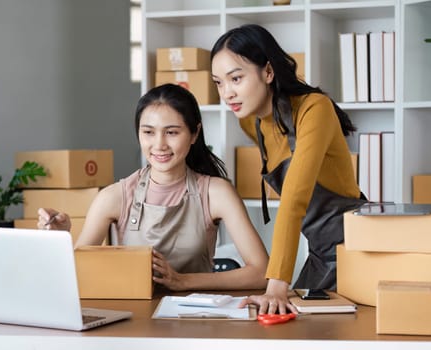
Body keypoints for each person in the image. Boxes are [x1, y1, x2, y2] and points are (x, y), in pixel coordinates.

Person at [38, 83, 269, 292]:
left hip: (197, 321)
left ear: (194, 133)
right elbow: (77, 274)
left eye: (172, 132)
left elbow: (263, 273)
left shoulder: (216, 193)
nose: (159, 145)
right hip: (133, 323)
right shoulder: (113, 197)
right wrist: (60, 239)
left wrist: (182, 281)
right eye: (148, 132)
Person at [210, 24, 367, 314]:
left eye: (236, 78)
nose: (227, 93)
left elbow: (294, 197)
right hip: (321, 254)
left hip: (355, 251)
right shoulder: (249, 120)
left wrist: (276, 285)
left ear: (268, 72)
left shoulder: (314, 108)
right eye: (219, 82)